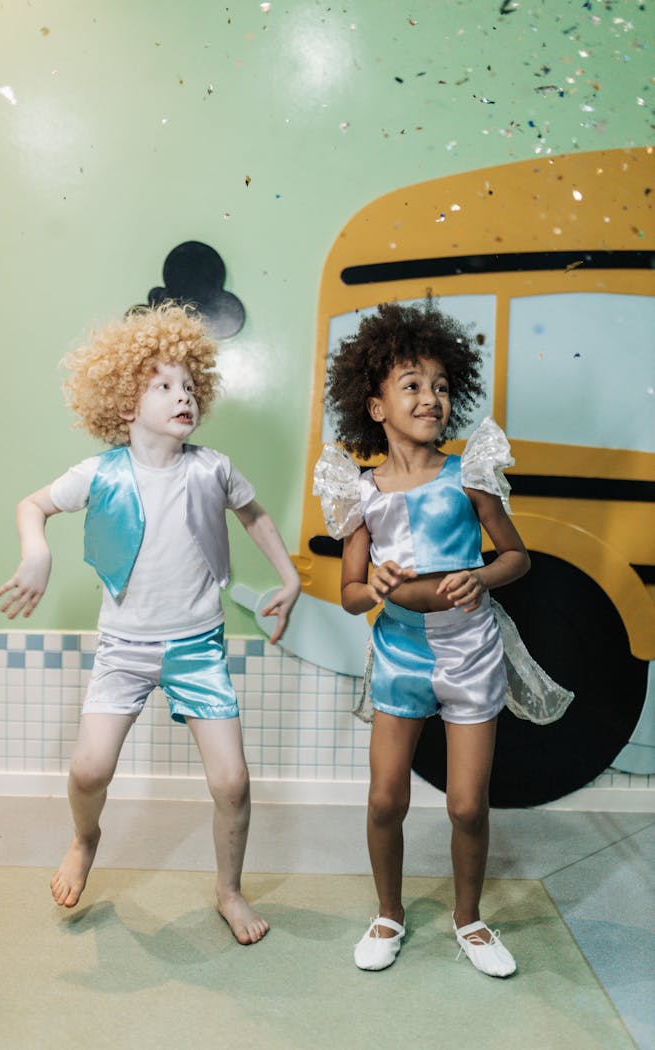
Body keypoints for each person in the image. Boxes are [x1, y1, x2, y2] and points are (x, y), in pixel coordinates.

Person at [0, 303, 301, 945]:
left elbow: (255, 515)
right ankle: (85, 837)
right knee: (88, 771)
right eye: (163, 385)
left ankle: (229, 890)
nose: (182, 395)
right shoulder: (100, 472)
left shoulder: (211, 468)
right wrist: (37, 551)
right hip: (124, 651)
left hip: (198, 649)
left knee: (232, 781)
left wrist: (290, 576)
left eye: (189, 386)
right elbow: (33, 505)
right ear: (125, 405)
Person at [314, 297, 533, 978]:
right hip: (400, 657)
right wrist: (372, 585)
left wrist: (485, 579)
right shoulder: (360, 494)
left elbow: (517, 556)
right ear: (376, 406)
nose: (430, 397)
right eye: (411, 385)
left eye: (440, 386)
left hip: (470, 653)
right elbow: (350, 596)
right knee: (386, 797)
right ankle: (389, 913)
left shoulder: (468, 475)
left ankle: (470, 919)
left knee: (468, 804)